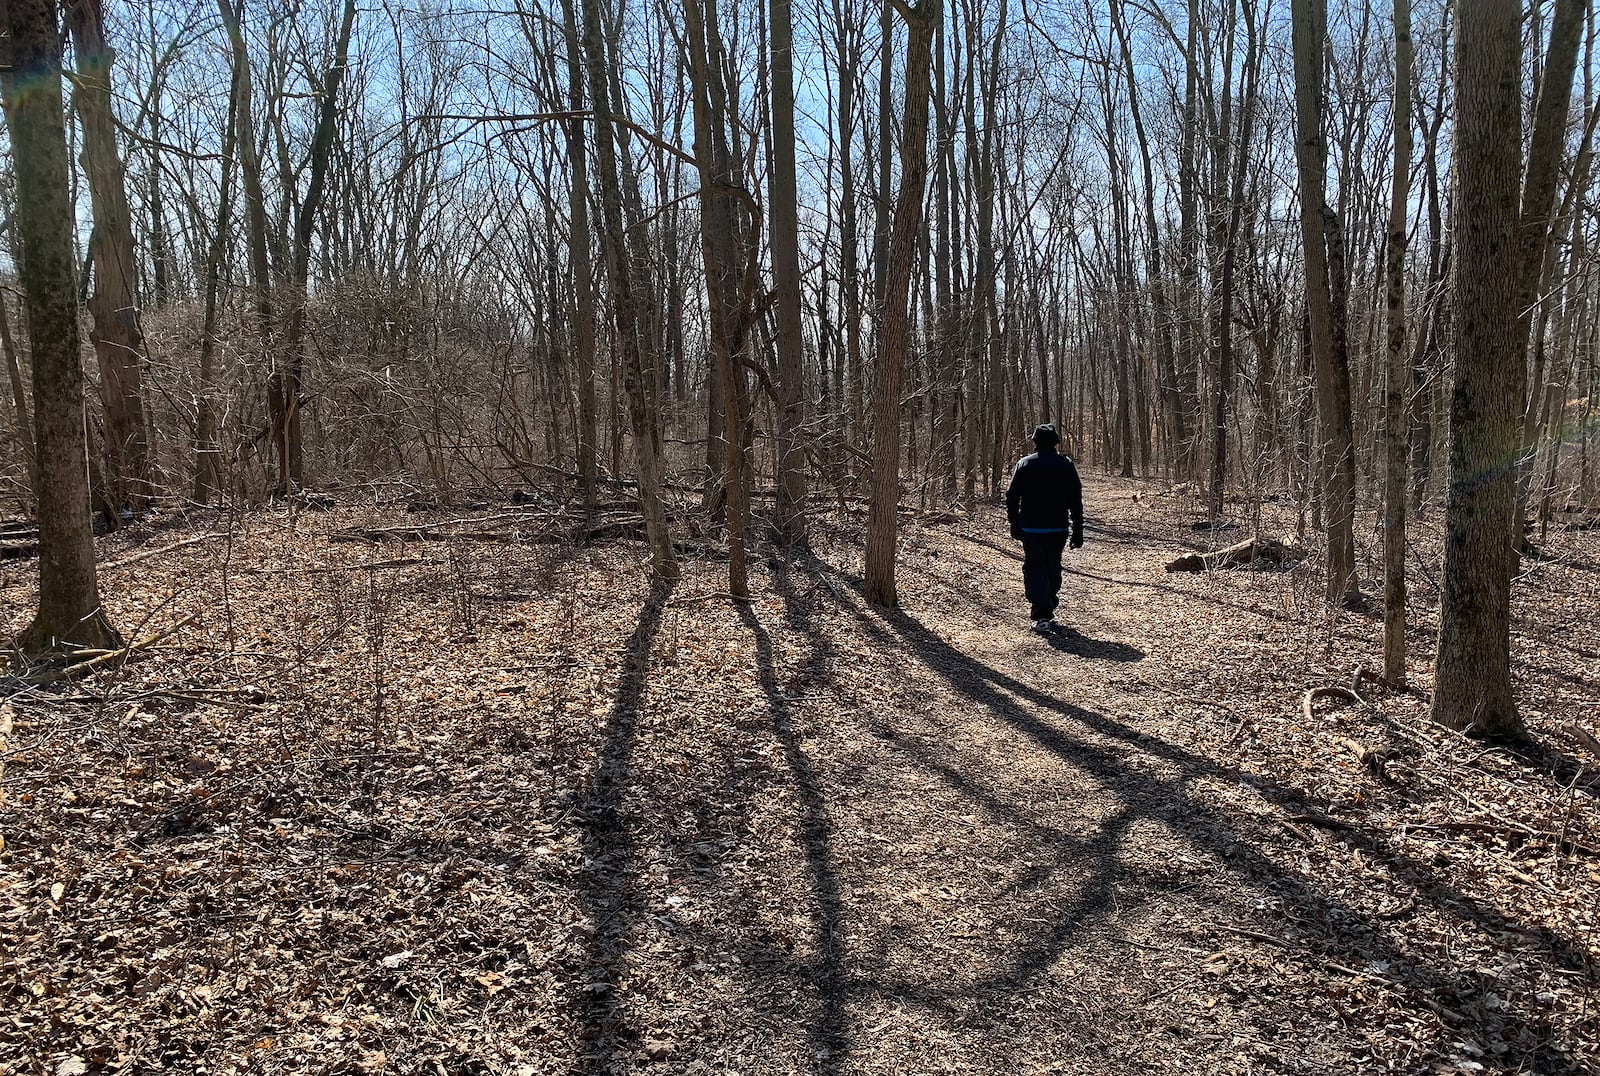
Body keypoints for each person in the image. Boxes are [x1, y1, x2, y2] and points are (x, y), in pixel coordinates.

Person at [1004, 423, 1084, 633]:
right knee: (1052, 567)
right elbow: (1075, 499)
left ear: (1035, 442)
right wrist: (1078, 529)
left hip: (1031, 528)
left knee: (1034, 568)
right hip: (1058, 528)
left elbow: (1011, 497)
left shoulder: (1024, 464)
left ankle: (1042, 613)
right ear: (1056, 443)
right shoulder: (1065, 465)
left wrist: (1014, 522)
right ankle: (1046, 608)